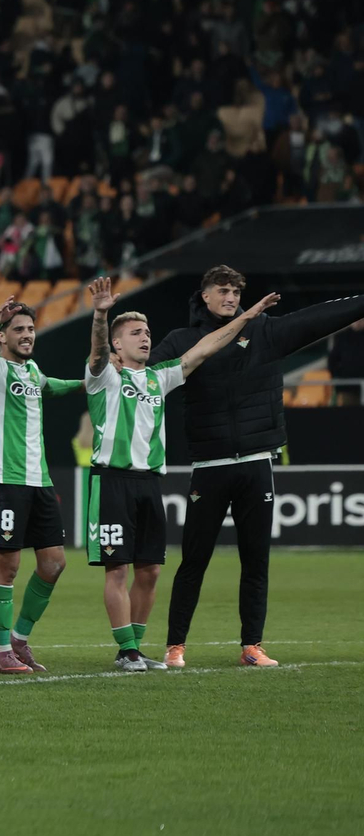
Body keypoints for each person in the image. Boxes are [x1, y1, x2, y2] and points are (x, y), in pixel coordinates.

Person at [154, 266, 364, 668]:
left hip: (255, 463)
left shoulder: (266, 331)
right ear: (204, 295)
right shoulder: (182, 341)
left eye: (236, 291)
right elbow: (145, 378)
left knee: (256, 561)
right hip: (209, 465)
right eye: (223, 290)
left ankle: (252, 646)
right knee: (194, 560)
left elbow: (320, 316)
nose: (230, 297)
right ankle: (175, 646)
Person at [82, 277, 279, 672]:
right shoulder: (104, 377)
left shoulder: (159, 377)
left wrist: (250, 315)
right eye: (136, 333)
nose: (145, 338)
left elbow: (205, 347)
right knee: (117, 568)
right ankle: (125, 651)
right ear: (118, 344)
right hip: (113, 481)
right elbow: (98, 351)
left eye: (148, 333)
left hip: (149, 482)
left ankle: (136, 648)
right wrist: (101, 314)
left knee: (151, 570)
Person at [0, 298, 83, 674]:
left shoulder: (33, 372)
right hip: (6, 479)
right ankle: (2, 652)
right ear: (3, 337)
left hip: (41, 482)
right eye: (18, 329)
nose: (27, 335)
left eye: (30, 329)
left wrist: (89, 382)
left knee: (54, 563)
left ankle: (19, 639)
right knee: (8, 565)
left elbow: (55, 386)